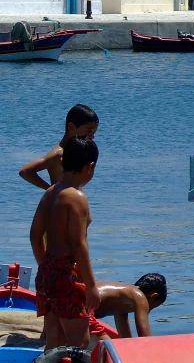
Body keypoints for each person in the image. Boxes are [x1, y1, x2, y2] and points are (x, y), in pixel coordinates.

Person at [30, 136, 101, 350]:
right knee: (80, 343)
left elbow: (35, 236)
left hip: (47, 271)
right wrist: (91, 285)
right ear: (90, 166)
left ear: (63, 162)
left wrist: (46, 265)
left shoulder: (50, 193)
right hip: (68, 274)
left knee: (54, 341)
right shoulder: (77, 197)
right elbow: (78, 244)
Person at [20, 104, 99, 190]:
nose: (92, 136)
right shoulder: (60, 153)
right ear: (71, 127)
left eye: (94, 132)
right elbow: (25, 171)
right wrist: (50, 189)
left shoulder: (74, 151)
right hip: (62, 201)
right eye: (89, 131)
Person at [88, 274, 167, 348]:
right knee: (109, 352)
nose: (148, 310)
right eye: (152, 307)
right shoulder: (140, 297)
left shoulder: (123, 299)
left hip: (78, 302)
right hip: (84, 311)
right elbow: (146, 339)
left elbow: (125, 340)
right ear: (153, 297)